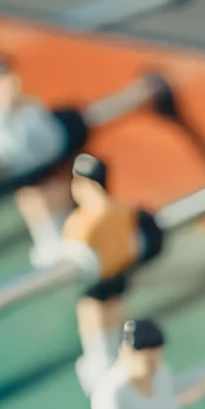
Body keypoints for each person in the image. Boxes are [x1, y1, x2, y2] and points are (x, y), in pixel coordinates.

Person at [0, 56, 77, 268]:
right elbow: (1, 148)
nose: (8, 84)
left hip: (47, 163)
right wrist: (4, 107)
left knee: (58, 191)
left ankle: (68, 234)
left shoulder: (31, 105)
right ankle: (48, 243)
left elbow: (50, 135)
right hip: (23, 172)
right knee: (34, 200)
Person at [59, 154, 147, 385]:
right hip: (118, 273)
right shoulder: (122, 209)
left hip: (95, 279)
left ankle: (100, 357)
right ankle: (112, 353)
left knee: (93, 313)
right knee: (114, 307)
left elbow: (73, 249)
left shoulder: (81, 220)